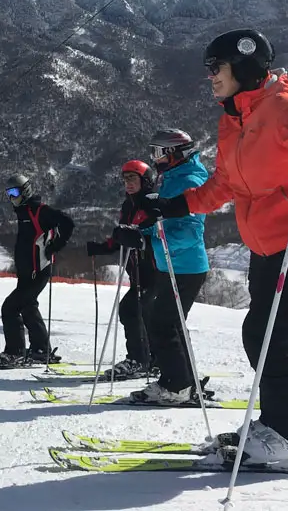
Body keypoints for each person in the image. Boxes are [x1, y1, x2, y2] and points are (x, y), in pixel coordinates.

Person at [142, 28, 288, 465]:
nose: (210, 76)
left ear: (245, 65)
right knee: (264, 335)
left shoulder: (283, 106)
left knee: (267, 335)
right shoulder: (232, 119)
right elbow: (224, 185)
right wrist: (173, 205)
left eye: (216, 67)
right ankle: (284, 428)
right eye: (208, 69)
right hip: (268, 249)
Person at [112, 129, 210, 404]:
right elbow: (163, 223)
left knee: (163, 323)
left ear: (173, 154)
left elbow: (189, 233)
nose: (154, 160)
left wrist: (144, 243)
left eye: (158, 153)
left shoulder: (188, 179)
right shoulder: (174, 177)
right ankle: (181, 380)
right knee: (168, 323)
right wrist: (140, 233)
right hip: (173, 264)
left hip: (186, 265)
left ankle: (177, 385)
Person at [0, 174, 74, 368]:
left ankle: (15, 352)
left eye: (14, 192)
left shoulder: (39, 210)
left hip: (38, 271)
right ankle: (40, 349)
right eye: (8, 193)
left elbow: (67, 222)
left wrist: (56, 245)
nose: (11, 197)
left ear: (25, 190)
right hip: (27, 272)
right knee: (28, 307)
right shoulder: (24, 212)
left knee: (10, 308)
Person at [86, 160, 159, 380]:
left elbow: (152, 234)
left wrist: (137, 237)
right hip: (137, 274)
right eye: (125, 179)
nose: (128, 183)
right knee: (138, 313)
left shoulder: (152, 204)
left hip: (154, 271)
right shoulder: (128, 205)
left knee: (133, 310)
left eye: (133, 178)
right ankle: (151, 360)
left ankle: (141, 360)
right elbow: (122, 236)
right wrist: (103, 247)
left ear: (145, 181)